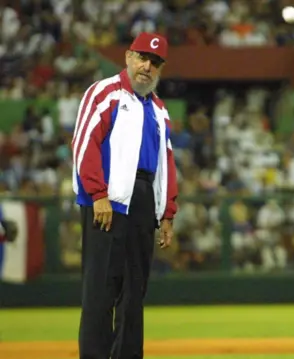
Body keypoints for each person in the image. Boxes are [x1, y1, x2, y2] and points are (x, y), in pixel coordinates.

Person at [70, 32, 179, 359]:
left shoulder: (159, 109)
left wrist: (168, 212)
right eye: (143, 57)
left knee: (135, 293)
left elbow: (166, 162)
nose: (148, 66)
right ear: (129, 56)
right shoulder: (105, 92)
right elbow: (84, 142)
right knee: (100, 291)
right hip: (109, 199)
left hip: (144, 201)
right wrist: (98, 193)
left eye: (155, 62)